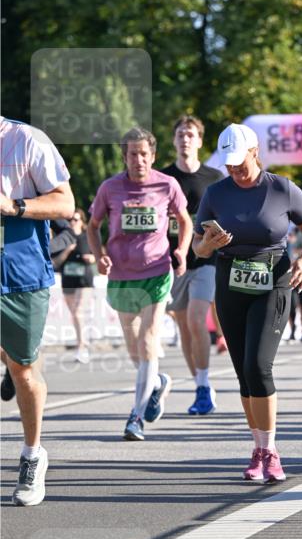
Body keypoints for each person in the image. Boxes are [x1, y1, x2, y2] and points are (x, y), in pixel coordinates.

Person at [193, 123, 302, 483]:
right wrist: (209, 245)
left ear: (255, 152)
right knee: (243, 373)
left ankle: (271, 450)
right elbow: (198, 247)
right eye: (228, 164)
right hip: (230, 280)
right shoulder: (216, 192)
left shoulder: (282, 188)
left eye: (240, 162)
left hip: (274, 280)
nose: (234, 169)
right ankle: (257, 447)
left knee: (259, 365)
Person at [88, 127, 191, 440]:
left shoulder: (167, 184)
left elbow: (185, 220)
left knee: (148, 340)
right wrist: (100, 254)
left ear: (153, 155)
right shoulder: (110, 188)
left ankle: (136, 417)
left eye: (144, 153)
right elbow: (93, 226)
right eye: (132, 154)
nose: (139, 159)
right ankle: (157, 382)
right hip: (121, 276)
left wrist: (181, 250)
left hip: (157, 272)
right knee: (135, 349)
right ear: (124, 156)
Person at [0, 116, 75, 506]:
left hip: (21, 277)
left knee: (24, 370)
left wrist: (12, 205)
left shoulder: (27, 140)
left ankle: (33, 454)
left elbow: (65, 203)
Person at [160, 114, 222, 414]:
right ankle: (202, 383)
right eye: (180, 134)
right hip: (172, 263)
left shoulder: (214, 179)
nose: (185, 138)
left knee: (198, 319)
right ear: (174, 140)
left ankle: (202, 388)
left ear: (199, 141)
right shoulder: (162, 178)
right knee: (184, 328)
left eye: (190, 134)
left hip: (206, 260)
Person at [51, 207, 97, 363]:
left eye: (76, 219)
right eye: (70, 220)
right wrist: (66, 251)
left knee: (78, 312)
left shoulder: (87, 237)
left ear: (82, 222)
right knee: (76, 315)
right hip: (68, 280)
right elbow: (55, 263)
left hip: (85, 281)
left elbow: (97, 255)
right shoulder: (62, 239)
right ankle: (83, 340)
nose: (72, 222)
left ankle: (82, 347)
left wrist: (91, 258)